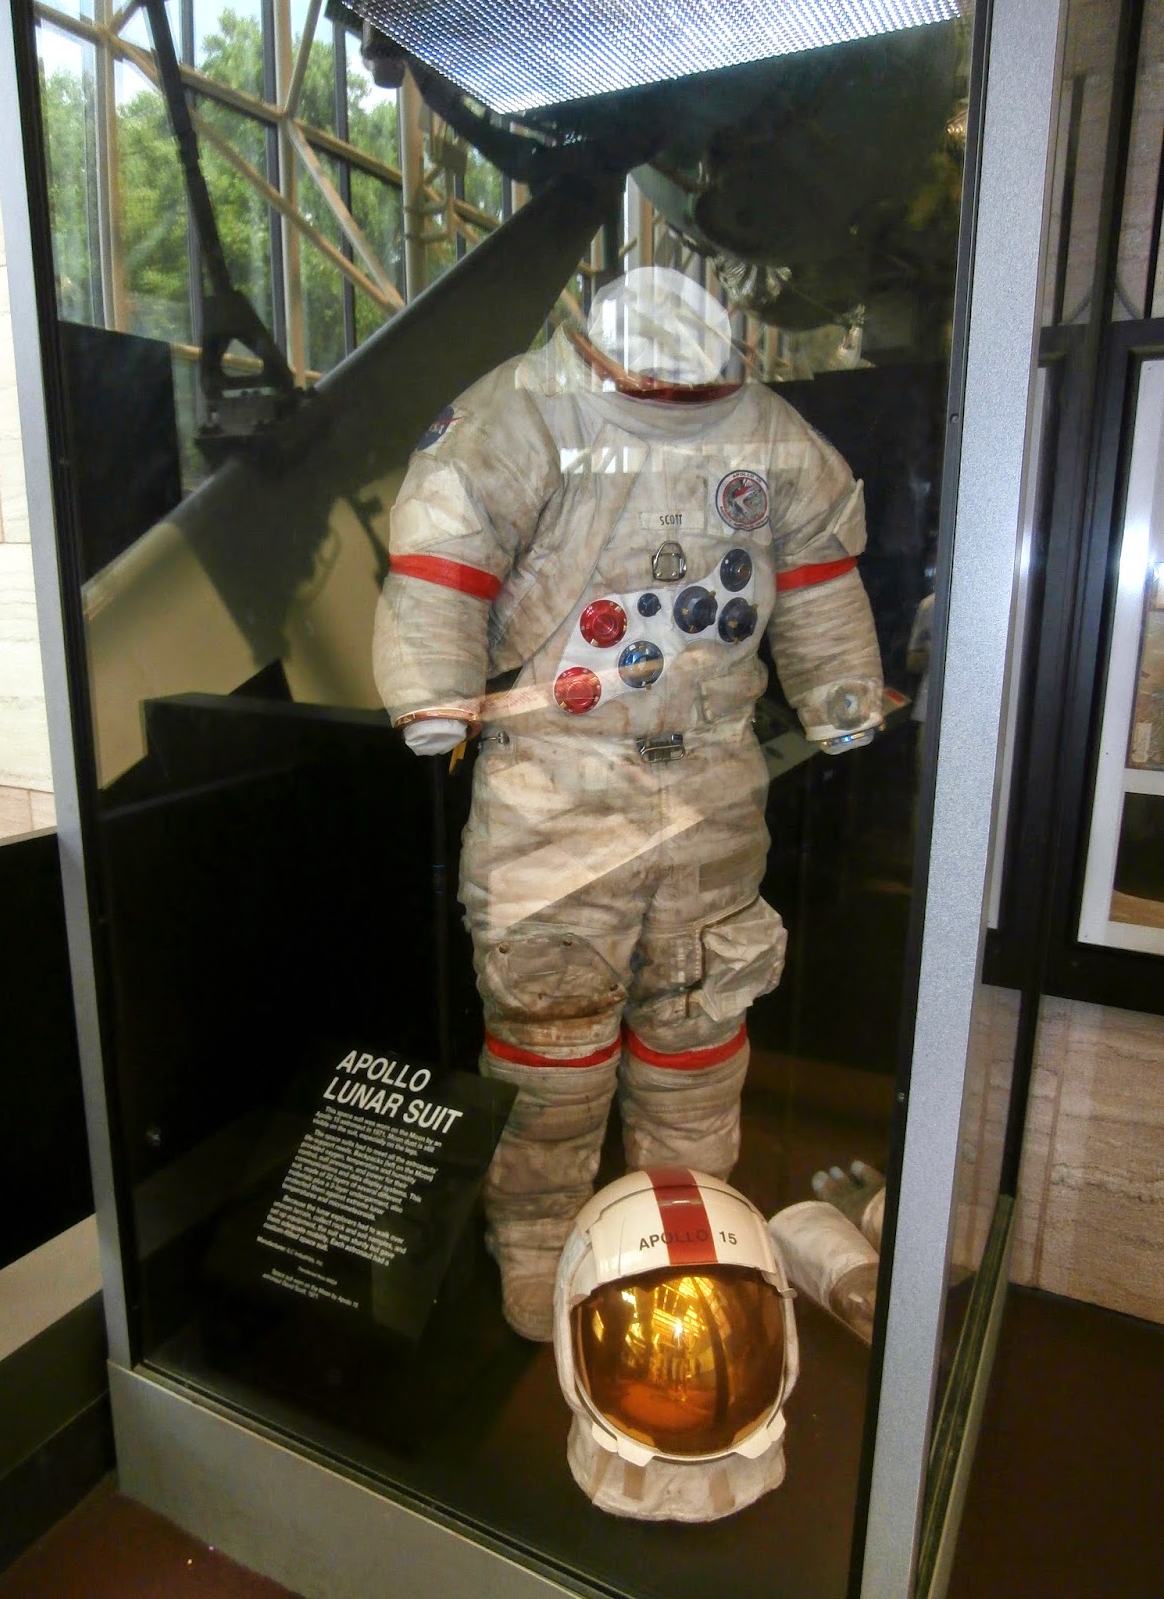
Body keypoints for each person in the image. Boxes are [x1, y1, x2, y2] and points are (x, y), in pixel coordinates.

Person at [373, 267, 884, 1339]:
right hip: (558, 780)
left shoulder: (767, 433)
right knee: (549, 1039)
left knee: (699, 1022)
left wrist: (840, 696)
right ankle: (536, 1242)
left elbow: (818, 576)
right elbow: (444, 550)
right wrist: (432, 694)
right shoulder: (527, 409)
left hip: (713, 781)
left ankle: (683, 1233)